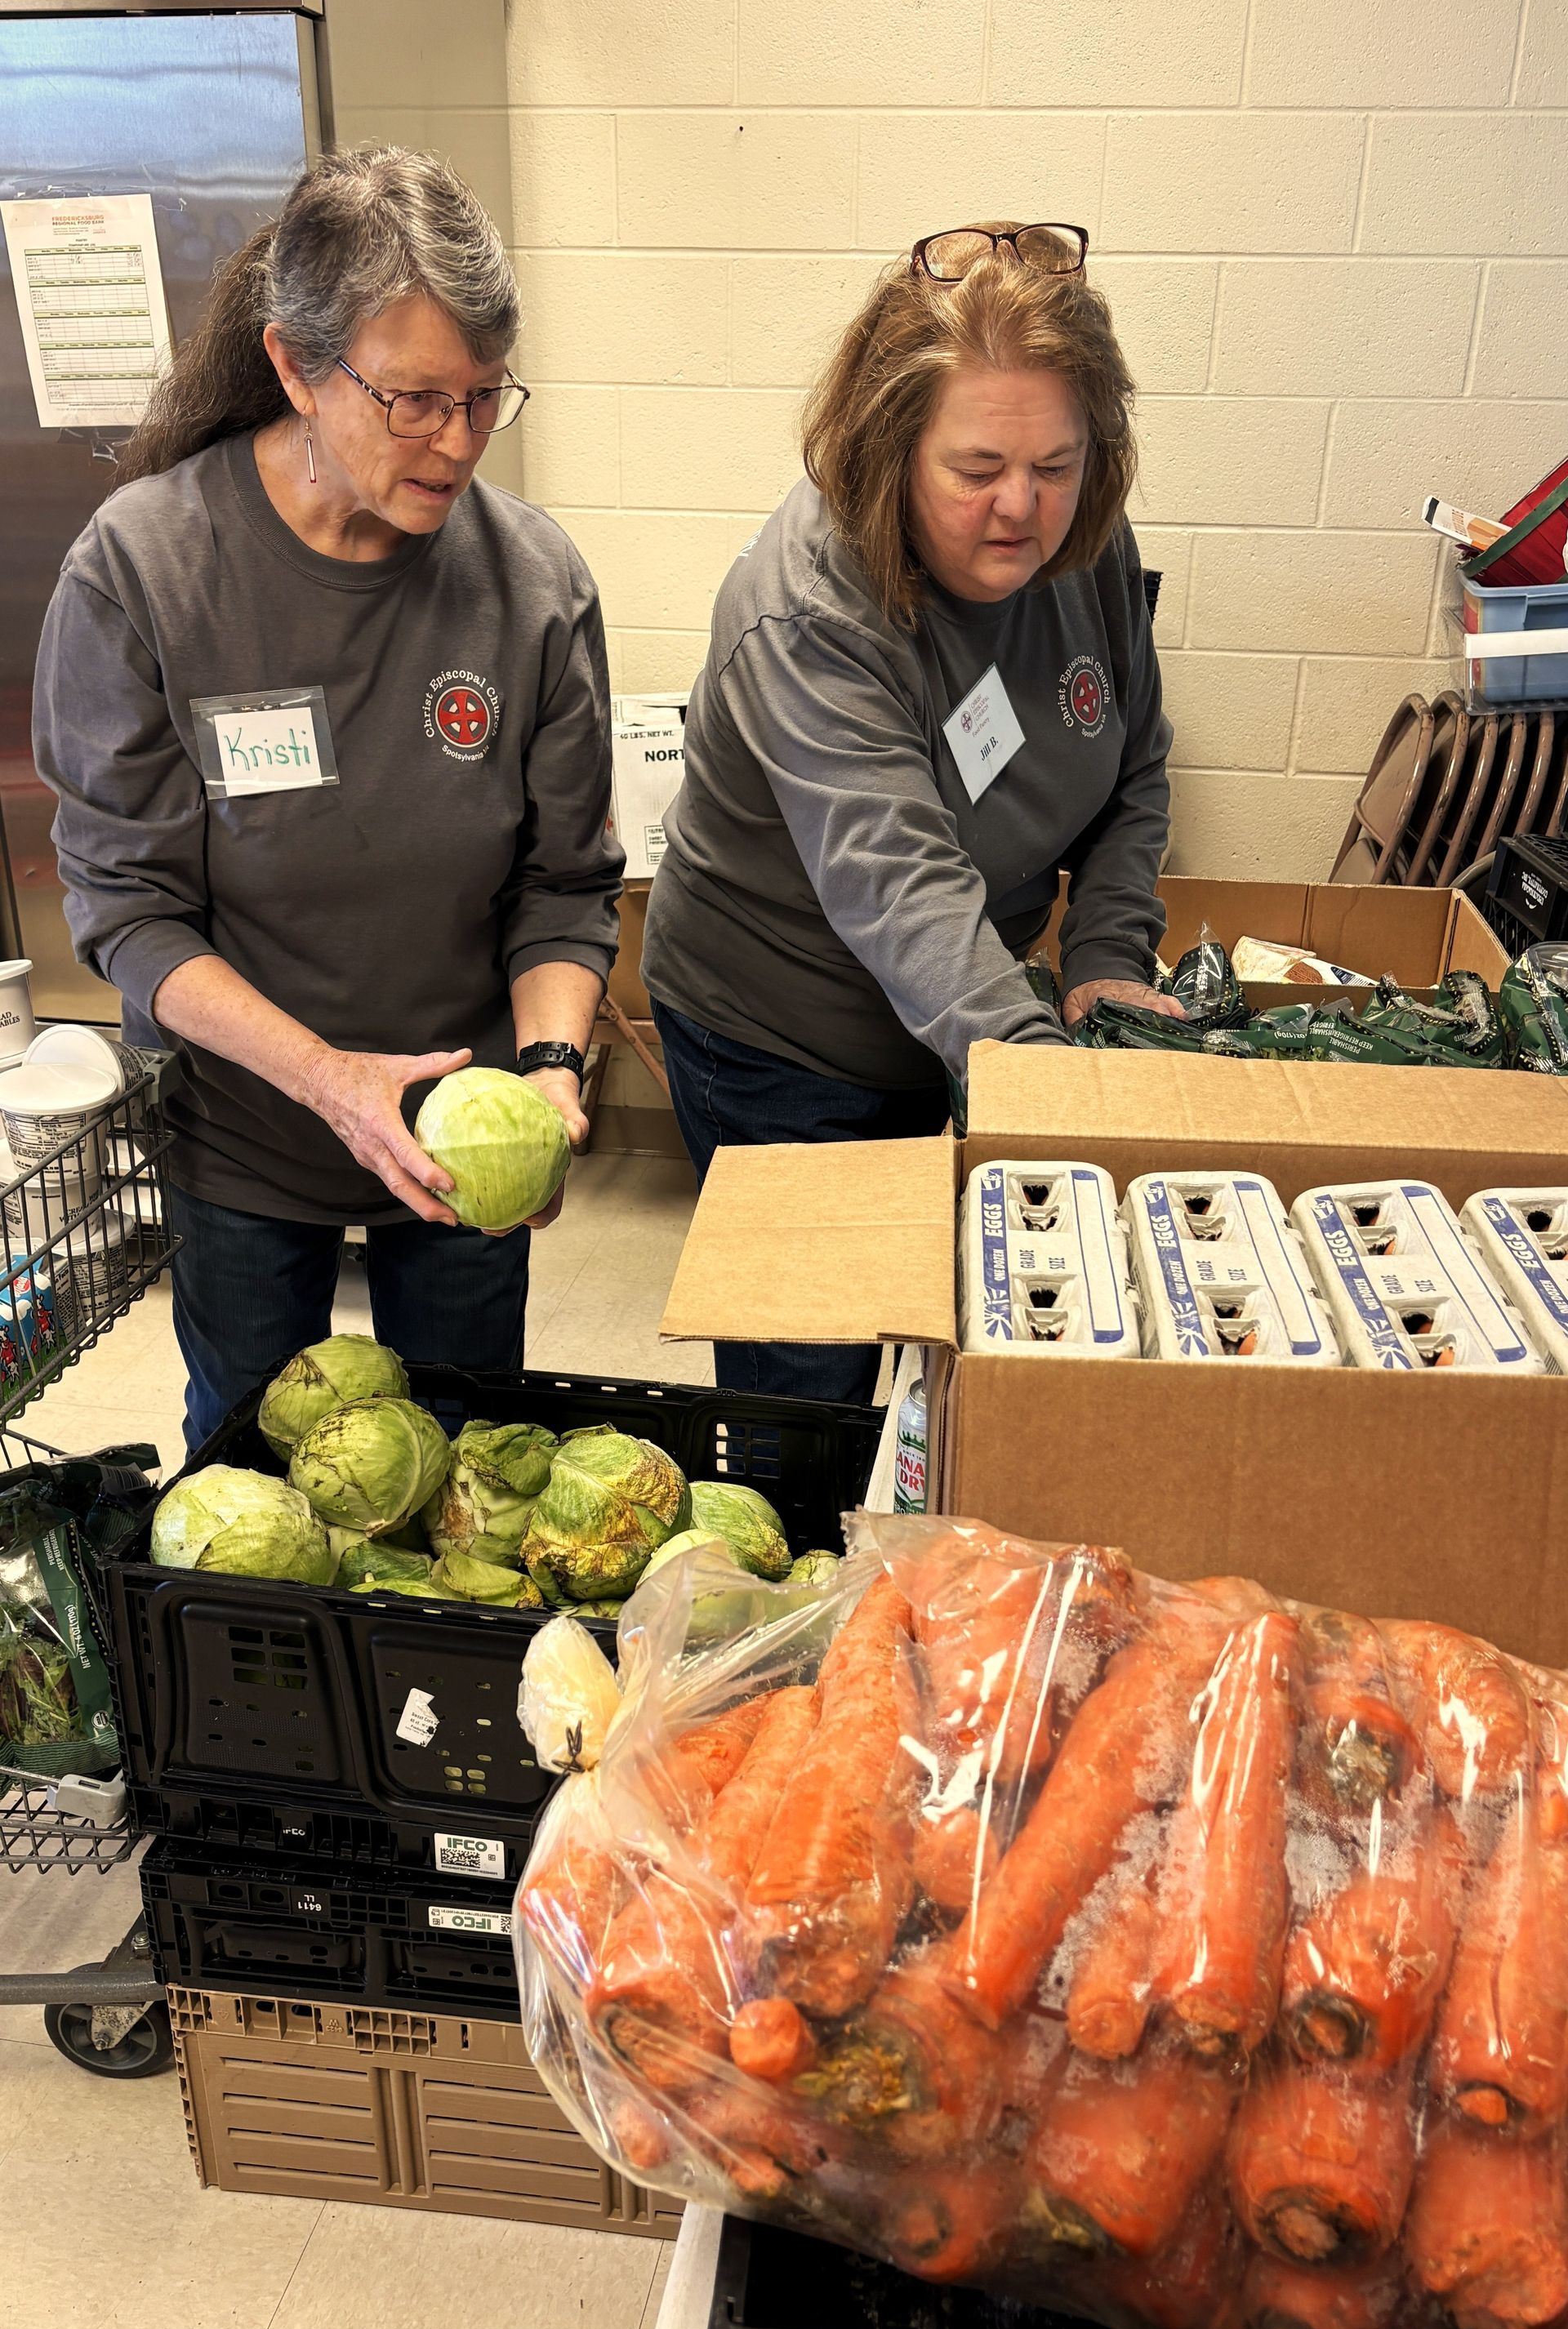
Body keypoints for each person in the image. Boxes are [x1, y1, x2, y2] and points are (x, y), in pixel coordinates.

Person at [33, 146, 622, 1450]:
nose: (457, 442)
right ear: (295, 367)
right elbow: (130, 914)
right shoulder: (143, 572)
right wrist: (333, 1082)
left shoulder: (531, 586)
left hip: (467, 1143)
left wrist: (552, 1066)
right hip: (243, 1142)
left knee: (466, 1466)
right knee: (253, 1463)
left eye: (484, 396)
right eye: (413, 399)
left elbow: (564, 885)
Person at [644, 220, 1180, 1405]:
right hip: (784, 1041)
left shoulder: (1083, 545)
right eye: (977, 469)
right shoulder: (809, 610)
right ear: (893, 451)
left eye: (1056, 465)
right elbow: (903, 891)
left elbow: (1134, 761)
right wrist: (1054, 1087)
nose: (1022, 508)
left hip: (970, 1016)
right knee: (812, 1384)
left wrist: (1101, 953)